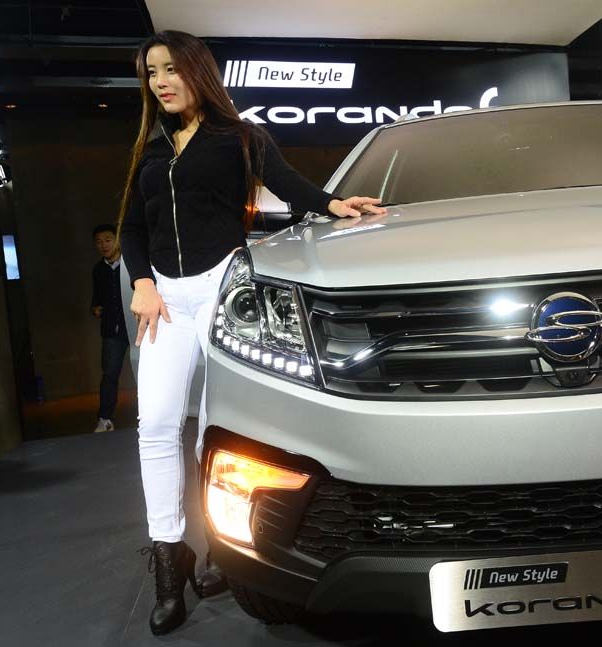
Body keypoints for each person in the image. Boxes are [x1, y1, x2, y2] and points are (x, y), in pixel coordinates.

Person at [116, 30, 385, 635]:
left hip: (223, 290)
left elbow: (292, 187)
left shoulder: (241, 137)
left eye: (170, 69)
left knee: (218, 429)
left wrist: (336, 205)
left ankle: (221, 545)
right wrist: (142, 282)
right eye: (151, 72)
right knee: (155, 425)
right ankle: (170, 556)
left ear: (197, 71)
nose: (160, 82)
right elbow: (131, 227)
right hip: (165, 300)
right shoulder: (150, 152)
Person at [90, 224, 129, 433]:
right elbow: (96, 297)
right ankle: (105, 419)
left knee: (147, 372)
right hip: (112, 329)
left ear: (117, 240)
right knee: (110, 374)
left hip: (136, 326)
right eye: (99, 242)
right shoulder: (98, 269)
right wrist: (95, 308)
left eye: (107, 240)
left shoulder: (131, 263)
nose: (103, 245)